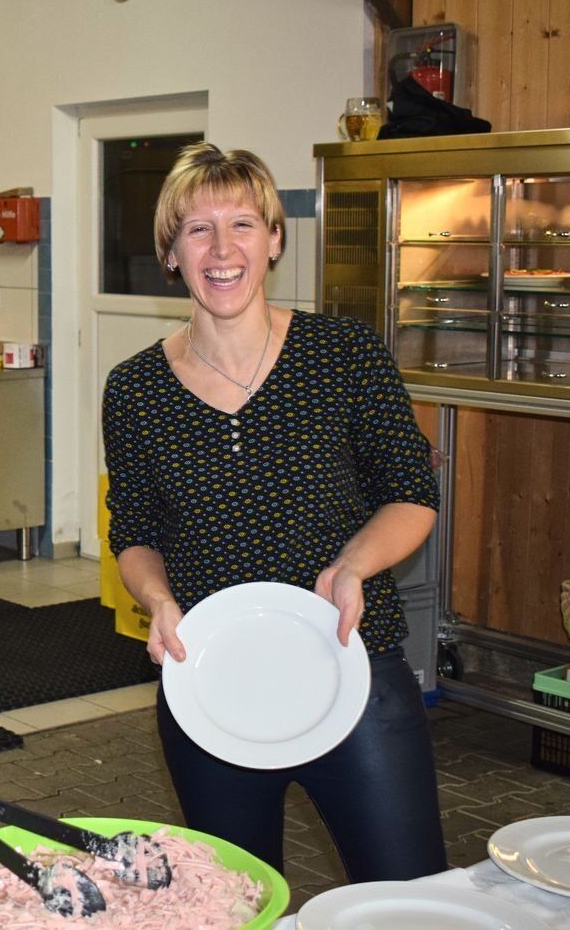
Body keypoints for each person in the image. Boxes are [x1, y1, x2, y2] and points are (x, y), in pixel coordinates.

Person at [101, 143, 446, 882]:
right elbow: (133, 531)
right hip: (213, 684)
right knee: (241, 902)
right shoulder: (135, 390)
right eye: (198, 230)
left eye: (243, 225)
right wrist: (157, 601)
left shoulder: (343, 354)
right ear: (171, 254)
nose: (222, 250)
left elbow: (412, 493)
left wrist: (353, 565)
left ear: (275, 240)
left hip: (351, 668)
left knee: (406, 893)